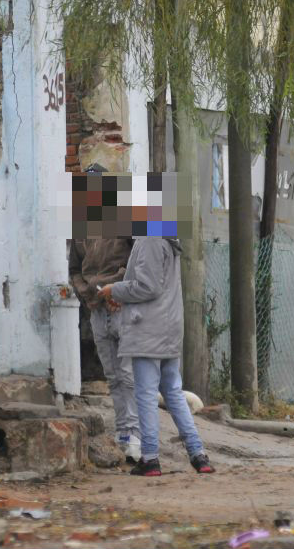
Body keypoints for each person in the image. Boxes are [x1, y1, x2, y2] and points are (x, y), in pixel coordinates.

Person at [98, 236, 215, 476]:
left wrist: (115, 290)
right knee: (173, 392)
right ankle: (198, 454)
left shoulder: (150, 239)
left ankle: (150, 458)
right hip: (168, 327)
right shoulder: (168, 239)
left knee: (146, 394)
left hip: (148, 330)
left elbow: (148, 286)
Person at [68, 166, 141, 463]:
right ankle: (124, 433)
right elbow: (75, 270)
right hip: (98, 310)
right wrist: (90, 296)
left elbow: (137, 260)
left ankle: (136, 435)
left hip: (122, 307)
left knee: (129, 374)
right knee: (112, 375)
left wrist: (118, 290)